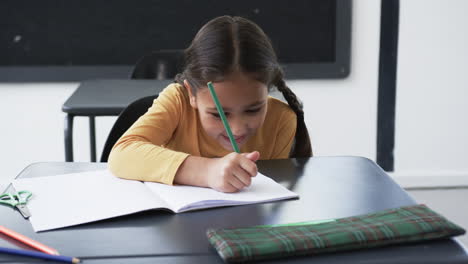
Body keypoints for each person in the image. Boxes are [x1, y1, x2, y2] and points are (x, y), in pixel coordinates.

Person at [108, 15, 312, 193]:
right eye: (218, 114)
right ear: (192, 94)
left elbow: (269, 193)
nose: (237, 129)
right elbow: (122, 155)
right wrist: (207, 171)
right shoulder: (178, 102)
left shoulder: (281, 119)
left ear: (267, 89)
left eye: (253, 109)